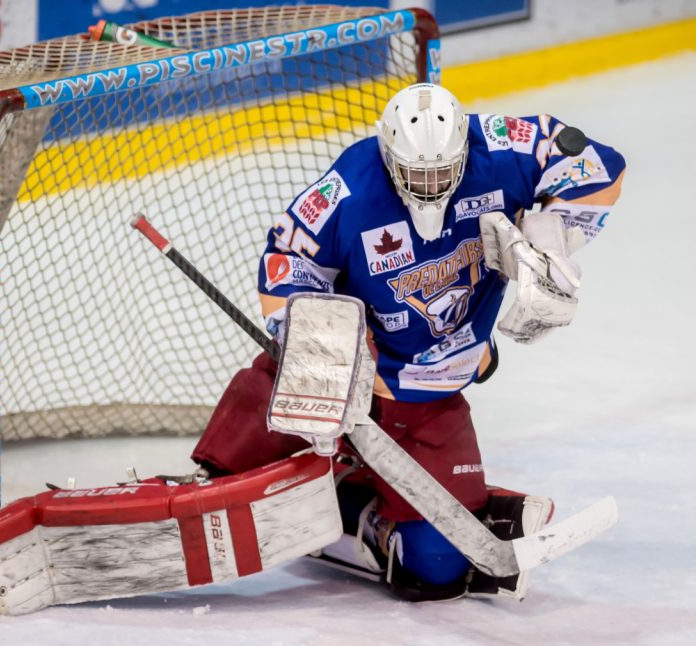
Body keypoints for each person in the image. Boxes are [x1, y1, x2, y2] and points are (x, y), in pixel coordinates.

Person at [191, 83, 626, 600]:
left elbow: (601, 168)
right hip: (344, 375)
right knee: (227, 474)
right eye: (416, 174)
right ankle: (269, 467)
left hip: (428, 390)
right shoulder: (350, 187)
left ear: (464, 149)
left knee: (438, 565)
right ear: (389, 155)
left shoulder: (500, 149)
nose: (430, 186)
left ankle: (352, 508)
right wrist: (322, 346)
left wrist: (548, 239)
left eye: (443, 171)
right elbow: (287, 260)